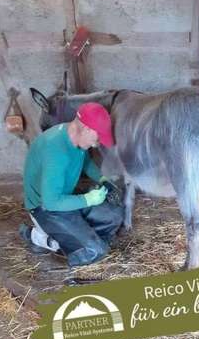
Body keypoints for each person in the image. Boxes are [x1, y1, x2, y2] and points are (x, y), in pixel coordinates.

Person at [19, 102, 124, 268]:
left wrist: (102, 178)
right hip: (45, 208)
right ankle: (38, 236)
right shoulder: (56, 153)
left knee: (114, 216)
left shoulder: (73, 135)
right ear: (88, 129)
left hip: (64, 197)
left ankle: (75, 237)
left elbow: (86, 162)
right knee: (94, 251)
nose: (97, 144)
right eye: (97, 139)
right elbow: (51, 202)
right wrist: (88, 200)